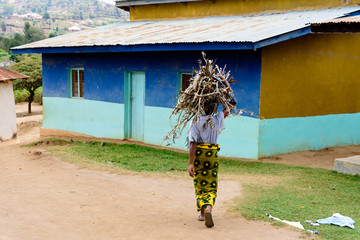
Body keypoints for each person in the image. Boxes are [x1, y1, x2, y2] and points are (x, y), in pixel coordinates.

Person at [188, 76, 234, 228]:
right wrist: (226, 84)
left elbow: (193, 144)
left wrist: (190, 163)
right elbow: (231, 104)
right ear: (213, 107)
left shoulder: (195, 121)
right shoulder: (217, 118)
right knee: (211, 184)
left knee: (200, 184)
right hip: (212, 154)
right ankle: (209, 208)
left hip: (199, 155)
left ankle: (202, 213)